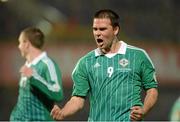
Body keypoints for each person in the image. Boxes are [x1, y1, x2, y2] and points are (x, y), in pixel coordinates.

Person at [51, 9, 158, 121]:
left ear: (115, 29)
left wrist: (144, 110)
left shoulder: (138, 56)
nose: (98, 33)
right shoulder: (85, 63)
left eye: (102, 29)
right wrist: (63, 112)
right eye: (95, 29)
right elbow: (77, 99)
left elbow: (152, 90)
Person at [10, 27, 63, 121]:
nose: (19, 46)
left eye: (20, 42)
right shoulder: (28, 65)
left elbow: (58, 93)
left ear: (27, 44)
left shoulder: (47, 64)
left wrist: (34, 77)